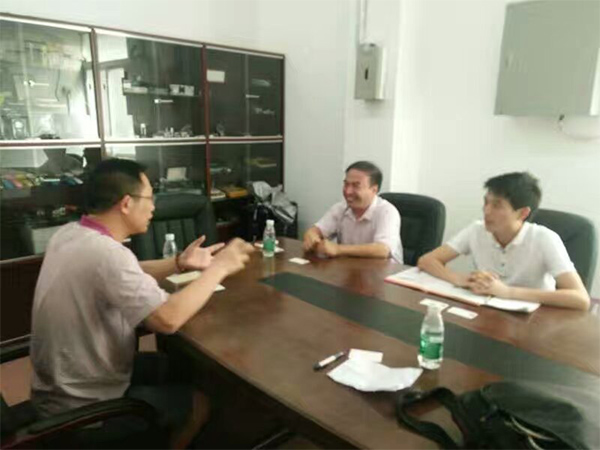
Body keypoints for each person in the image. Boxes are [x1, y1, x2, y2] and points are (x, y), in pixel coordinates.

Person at [30, 158, 254, 448]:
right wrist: (219, 268)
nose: (153, 207)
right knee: (199, 402)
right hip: (85, 406)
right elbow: (167, 319)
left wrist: (179, 262)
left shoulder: (71, 233)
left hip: (61, 384)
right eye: (149, 198)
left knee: (180, 367)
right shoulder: (108, 254)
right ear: (126, 203)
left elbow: (126, 272)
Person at [418, 172, 590, 310]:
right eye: (486, 202)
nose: (486, 211)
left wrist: (507, 292)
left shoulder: (544, 238)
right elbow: (427, 260)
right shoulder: (477, 230)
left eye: (497, 205)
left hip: (534, 320)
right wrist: (460, 279)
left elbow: (580, 299)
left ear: (522, 213)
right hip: (486, 312)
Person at [303, 161, 403, 262]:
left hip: (384, 270)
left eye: (356, 186)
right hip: (350, 267)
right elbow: (317, 230)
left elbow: (383, 250)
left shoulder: (387, 212)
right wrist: (311, 234)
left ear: (374, 189)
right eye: (346, 184)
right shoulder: (341, 208)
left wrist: (338, 249)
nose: (348, 191)